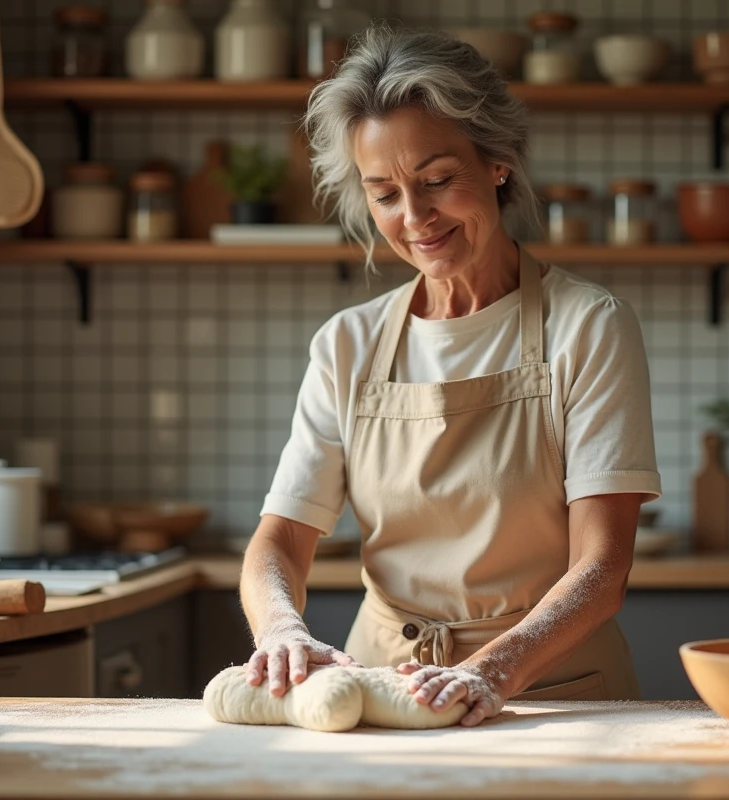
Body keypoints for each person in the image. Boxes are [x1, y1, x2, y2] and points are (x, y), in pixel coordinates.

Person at [238, 25, 661, 727]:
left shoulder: (589, 326)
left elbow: (601, 568)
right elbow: (279, 542)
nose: (415, 218)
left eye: (437, 181)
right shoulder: (348, 344)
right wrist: (280, 628)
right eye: (385, 194)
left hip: (550, 696)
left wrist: (489, 670)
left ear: (497, 162)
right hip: (381, 690)